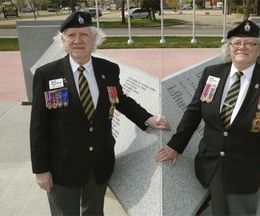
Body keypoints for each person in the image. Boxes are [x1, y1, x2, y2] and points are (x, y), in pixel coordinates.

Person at [30, 11, 171, 216]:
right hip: (62, 165)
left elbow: (120, 99)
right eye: (71, 35)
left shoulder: (109, 69)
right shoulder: (47, 74)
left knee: (94, 212)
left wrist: (147, 118)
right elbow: (37, 126)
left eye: (84, 35)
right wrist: (40, 169)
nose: (78, 40)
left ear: (95, 38)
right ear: (63, 40)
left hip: (99, 162)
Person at [156, 20, 260, 215]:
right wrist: (175, 145)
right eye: (236, 43)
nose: (242, 47)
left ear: (259, 50)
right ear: (229, 48)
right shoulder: (212, 74)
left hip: (247, 168)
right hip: (213, 164)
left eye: (249, 43)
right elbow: (193, 112)